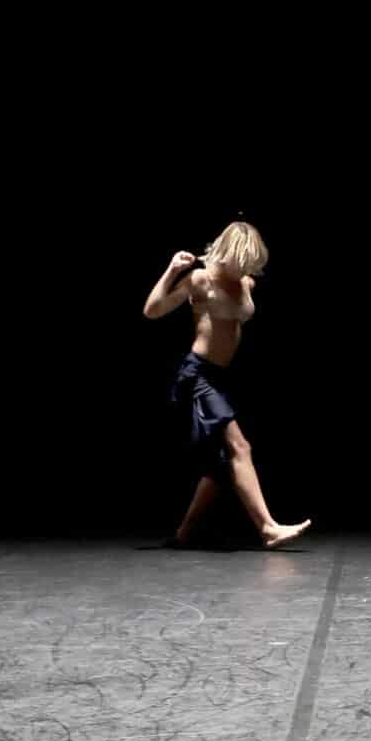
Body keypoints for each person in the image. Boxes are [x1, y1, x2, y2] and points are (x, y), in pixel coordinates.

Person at [143, 221, 312, 549]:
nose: (248, 269)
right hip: (197, 376)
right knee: (240, 447)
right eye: (243, 261)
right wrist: (171, 270)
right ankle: (268, 528)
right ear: (227, 254)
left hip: (221, 377)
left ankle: (184, 534)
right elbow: (152, 311)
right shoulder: (201, 280)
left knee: (219, 465)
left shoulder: (245, 282)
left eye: (253, 263)